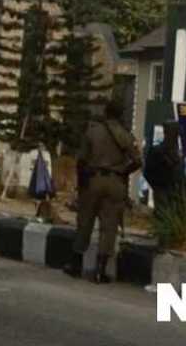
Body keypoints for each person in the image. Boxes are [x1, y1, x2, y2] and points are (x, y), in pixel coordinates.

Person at [64, 100, 142, 283]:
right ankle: (100, 271)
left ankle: (75, 265)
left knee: (85, 222)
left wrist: (81, 186)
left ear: (106, 113)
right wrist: (122, 172)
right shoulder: (126, 136)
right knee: (109, 227)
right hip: (115, 183)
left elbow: (81, 161)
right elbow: (138, 161)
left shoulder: (93, 131)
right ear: (121, 114)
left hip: (93, 181)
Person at [144, 122, 186, 226]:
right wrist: (157, 186)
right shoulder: (158, 151)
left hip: (173, 192)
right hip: (163, 190)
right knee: (163, 217)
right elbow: (147, 172)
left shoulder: (177, 154)